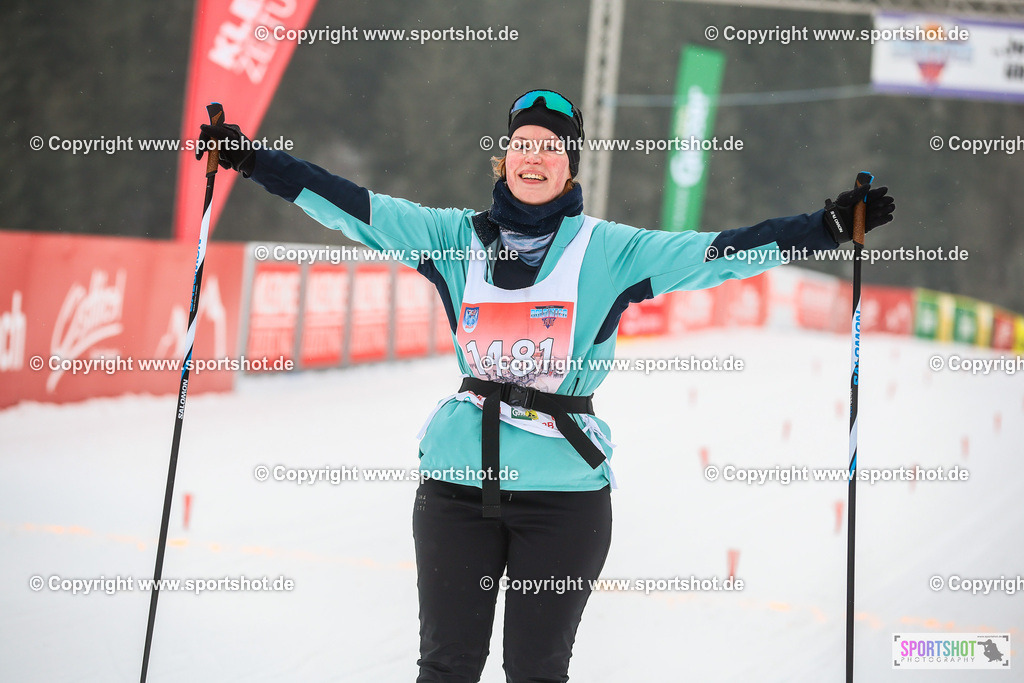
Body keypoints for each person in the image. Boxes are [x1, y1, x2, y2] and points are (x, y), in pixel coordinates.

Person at [198, 89, 895, 682]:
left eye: (552, 149)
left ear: (570, 165)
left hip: (563, 501)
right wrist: (251, 159)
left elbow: (718, 254)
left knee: (536, 671)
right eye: (523, 144)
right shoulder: (451, 238)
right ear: (504, 157)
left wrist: (827, 226)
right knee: (446, 666)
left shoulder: (611, 250)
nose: (535, 158)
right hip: (452, 491)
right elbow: (352, 205)